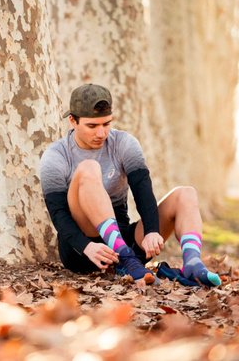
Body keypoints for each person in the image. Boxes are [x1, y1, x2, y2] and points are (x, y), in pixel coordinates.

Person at [39, 84, 221, 286]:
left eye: (106, 124)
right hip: (83, 250)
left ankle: (193, 265)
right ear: (73, 120)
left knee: (185, 194)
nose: (101, 133)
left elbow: (142, 189)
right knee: (89, 168)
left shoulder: (123, 143)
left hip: (127, 245)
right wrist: (86, 246)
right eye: (92, 126)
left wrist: (152, 230)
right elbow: (58, 213)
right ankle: (125, 258)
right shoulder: (55, 155)